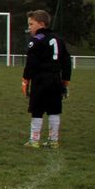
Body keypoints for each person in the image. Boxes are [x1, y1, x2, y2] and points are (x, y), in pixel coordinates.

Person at [22, 10, 71, 149]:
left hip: (41, 79)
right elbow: (67, 61)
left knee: (37, 109)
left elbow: (31, 62)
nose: (29, 27)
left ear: (41, 24)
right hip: (56, 79)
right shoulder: (58, 39)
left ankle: (34, 140)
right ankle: (53, 140)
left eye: (31, 24)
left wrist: (25, 80)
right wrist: (66, 81)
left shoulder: (37, 40)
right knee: (54, 109)